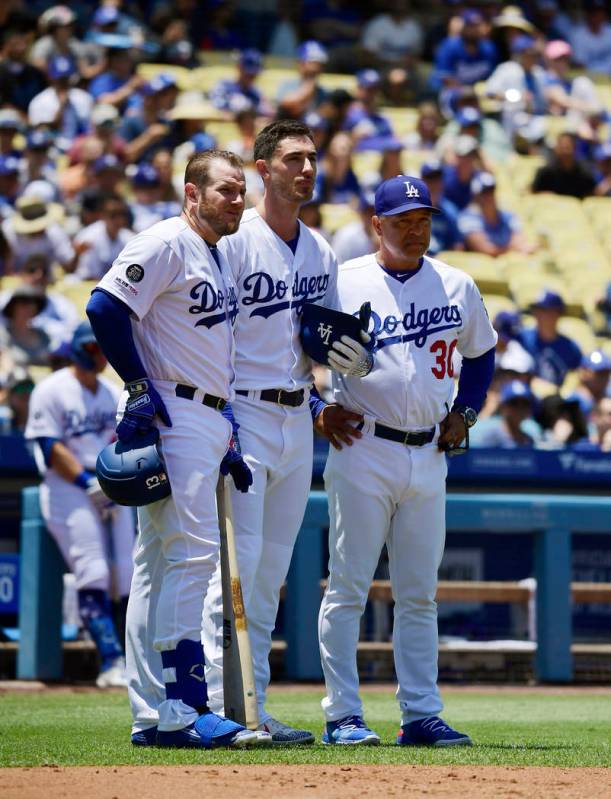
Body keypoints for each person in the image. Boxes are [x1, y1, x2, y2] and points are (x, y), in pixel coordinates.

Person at [86, 149, 272, 749]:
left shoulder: (213, 255)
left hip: (205, 415)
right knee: (190, 560)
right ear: (191, 193)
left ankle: (155, 712)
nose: (237, 200)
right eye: (225, 190)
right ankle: (184, 706)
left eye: (242, 190)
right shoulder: (167, 241)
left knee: (161, 565)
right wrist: (138, 388)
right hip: (173, 408)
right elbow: (104, 306)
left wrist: (228, 431)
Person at [201, 119, 371, 744]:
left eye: (312, 159)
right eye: (293, 158)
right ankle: (219, 708)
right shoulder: (235, 240)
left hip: (298, 416)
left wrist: (337, 383)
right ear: (262, 167)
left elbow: (317, 342)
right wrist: (217, 414)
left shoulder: (321, 251)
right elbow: (210, 332)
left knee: (271, 571)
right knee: (236, 569)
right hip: (241, 409)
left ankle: (256, 706)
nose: (306, 169)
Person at [318, 174, 497, 745]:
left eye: (422, 220)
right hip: (363, 446)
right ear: (377, 224)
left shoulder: (455, 283)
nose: (415, 230)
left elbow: (482, 354)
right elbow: (296, 353)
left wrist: (465, 414)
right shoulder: (341, 282)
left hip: (428, 452)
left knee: (419, 594)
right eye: (402, 221)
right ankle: (342, 714)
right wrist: (319, 407)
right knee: (347, 588)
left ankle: (420, 714)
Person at [24, 321, 135, 687]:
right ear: (75, 349)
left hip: (111, 480)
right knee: (94, 571)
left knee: (128, 573)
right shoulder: (50, 389)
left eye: (101, 348)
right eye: (91, 348)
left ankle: (130, 660)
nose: (98, 355)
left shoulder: (111, 391)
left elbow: (125, 440)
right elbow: (49, 447)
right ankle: (111, 661)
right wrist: (88, 483)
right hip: (68, 485)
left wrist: (110, 483)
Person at [458, 171, 535, 256]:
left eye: (491, 190)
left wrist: (519, 247)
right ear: (476, 196)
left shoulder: (508, 216)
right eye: (484, 192)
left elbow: (519, 239)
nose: (489, 196)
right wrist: (514, 248)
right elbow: (486, 249)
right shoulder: (467, 219)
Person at [518, 290, 582, 387]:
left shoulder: (570, 348)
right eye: (535, 309)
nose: (537, 314)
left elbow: (580, 375)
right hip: (525, 397)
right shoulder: (522, 338)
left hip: (558, 399)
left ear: (557, 314)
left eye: (543, 310)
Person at [73, 192, 134, 280]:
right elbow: (88, 275)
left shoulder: (130, 238)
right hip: (86, 284)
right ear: (103, 215)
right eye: (113, 215)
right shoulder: (88, 236)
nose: (119, 219)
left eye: (122, 214)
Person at [470, 379, 542, 448]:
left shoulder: (529, 439)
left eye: (525, 404)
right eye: (514, 403)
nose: (519, 408)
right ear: (503, 407)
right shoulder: (492, 438)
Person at [532, 131, 596, 199]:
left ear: (574, 149)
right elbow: (532, 193)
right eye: (562, 147)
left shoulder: (585, 173)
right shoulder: (545, 172)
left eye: (567, 147)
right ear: (556, 149)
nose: (565, 151)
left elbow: (591, 196)